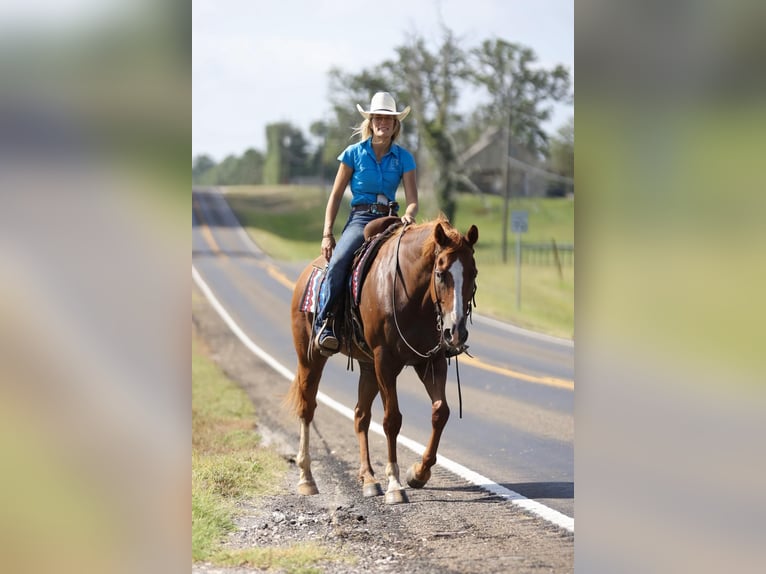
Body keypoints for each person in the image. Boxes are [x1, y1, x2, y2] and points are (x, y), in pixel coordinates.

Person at [314, 91, 419, 355]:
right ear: (370, 122)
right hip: (361, 218)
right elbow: (336, 194)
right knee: (338, 262)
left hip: (392, 218)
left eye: (389, 119)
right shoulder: (353, 154)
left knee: (416, 264)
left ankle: (415, 327)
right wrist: (327, 233)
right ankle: (326, 323)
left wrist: (409, 215)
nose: (383, 123)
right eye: (378, 118)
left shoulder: (404, 157)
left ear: (396, 125)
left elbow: (413, 200)